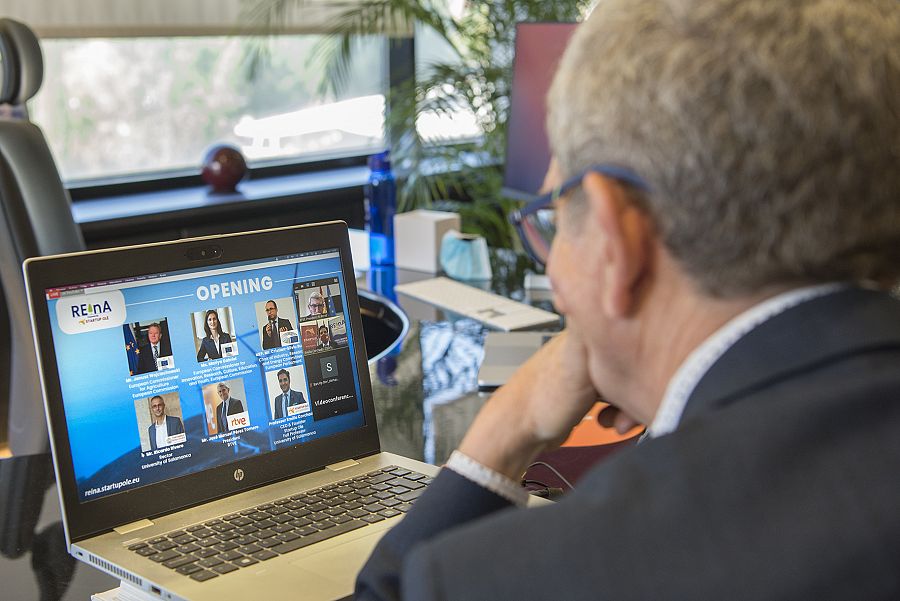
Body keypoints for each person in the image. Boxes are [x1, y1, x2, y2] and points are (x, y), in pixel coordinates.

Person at [356, 1, 900, 599]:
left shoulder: (520, 575)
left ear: (617, 241)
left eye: (553, 220)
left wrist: (505, 431)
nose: (555, 264)